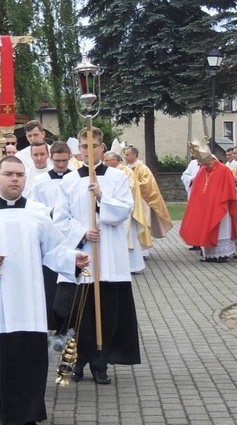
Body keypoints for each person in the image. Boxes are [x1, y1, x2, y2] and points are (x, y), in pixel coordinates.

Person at [0, 156, 89, 425]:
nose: (15, 179)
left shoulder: (38, 212)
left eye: (19, 175)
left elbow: (53, 250)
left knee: (26, 356)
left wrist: (74, 259)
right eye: (9, 174)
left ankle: (26, 417)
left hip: (27, 298)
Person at [52, 127, 141, 385]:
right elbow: (59, 218)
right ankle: (77, 361)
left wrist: (102, 198)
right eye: (83, 146)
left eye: (94, 146)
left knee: (106, 311)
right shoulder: (68, 181)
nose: (88, 151)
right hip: (82, 254)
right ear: (78, 150)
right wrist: (82, 232)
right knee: (78, 313)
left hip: (109, 256)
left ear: (102, 148)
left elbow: (125, 209)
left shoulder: (117, 177)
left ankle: (101, 363)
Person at [29, 141, 73, 329]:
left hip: (71, 236)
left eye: (64, 161)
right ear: (51, 158)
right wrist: (52, 211)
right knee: (49, 281)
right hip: (49, 234)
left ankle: (69, 320)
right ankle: (51, 322)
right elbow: (33, 205)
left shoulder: (76, 179)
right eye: (57, 161)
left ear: (69, 158)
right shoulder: (40, 181)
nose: (61, 165)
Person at [179, 137, 237, 263]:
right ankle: (210, 255)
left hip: (220, 207)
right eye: (203, 164)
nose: (205, 166)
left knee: (221, 230)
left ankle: (223, 255)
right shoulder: (202, 171)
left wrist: (218, 199)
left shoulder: (224, 170)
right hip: (207, 208)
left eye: (207, 164)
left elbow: (230, 189)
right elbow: (197, 190)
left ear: (213, 159)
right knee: (206, 228)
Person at [122, 146, 173, 254]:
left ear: (134, 155)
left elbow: (147, 184)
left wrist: (132, 185)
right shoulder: (127, 167)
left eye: (127, 155)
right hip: (132, 199)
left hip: (142, 200)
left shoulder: (142, 168)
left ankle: (144, 251)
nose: (125, 157)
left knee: (143, 222)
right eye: (125, 155)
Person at [102, 151, 146, 274]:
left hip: (124, 209)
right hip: (111, 208)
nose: (106, 163)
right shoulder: (106, 173)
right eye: (105, 160)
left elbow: (131, 186)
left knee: (129, 238)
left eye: (108, 160)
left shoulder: (126, 171)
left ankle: (134, 266)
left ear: (116, 160)